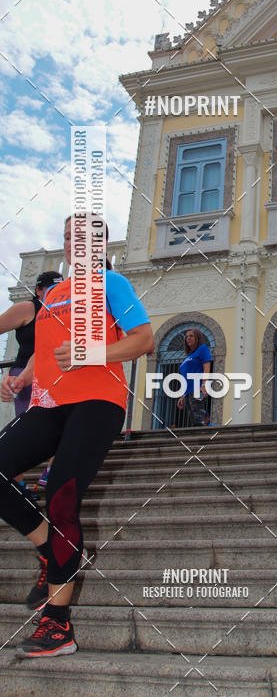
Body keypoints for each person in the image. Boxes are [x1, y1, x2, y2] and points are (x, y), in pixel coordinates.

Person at [0, 214, 154, 658]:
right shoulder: (52, 296)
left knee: (62, 495)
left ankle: (58, 624)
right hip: (49, 403)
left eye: (83, 237)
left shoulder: (112, 283)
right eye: (68, 236)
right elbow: (48, 352)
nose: (73, 243)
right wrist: (20, 377)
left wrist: (91, 351)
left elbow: (144, 340)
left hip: (98, 401)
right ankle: (50, 546)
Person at [0, 271, 64, 417]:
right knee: (29, 421)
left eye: (60, 288)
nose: (56, 293)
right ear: (38, 291)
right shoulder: (27, 308)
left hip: (56, 375)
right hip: (25, 375)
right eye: (51, 289)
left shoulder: (64, 310)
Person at [176, 329, 212, 425]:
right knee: (194, 418)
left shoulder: (202, 349)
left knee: (199, 419)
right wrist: (182, 395)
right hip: (188, 392)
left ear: (197, 338)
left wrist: (204, 385)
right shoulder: (188, 357)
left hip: (197, 388)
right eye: (187, 336)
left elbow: (206, 367)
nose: (188, 338)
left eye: (191, 336)